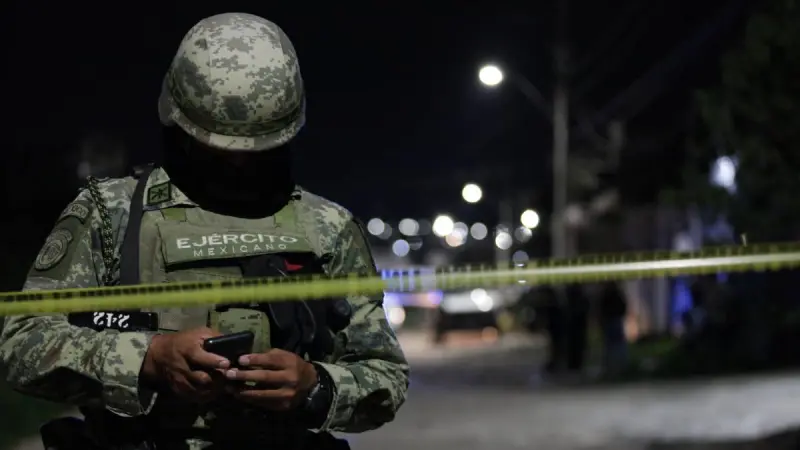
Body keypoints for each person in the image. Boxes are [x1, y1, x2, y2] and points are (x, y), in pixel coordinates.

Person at [0, 12, 409, 450]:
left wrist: (315, 387)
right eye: (217, 149)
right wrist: (148, 360)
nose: (238, 163)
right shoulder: (112, 214)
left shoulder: (327, 228)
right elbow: (23, 344)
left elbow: (384, 374)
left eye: (256, 152)